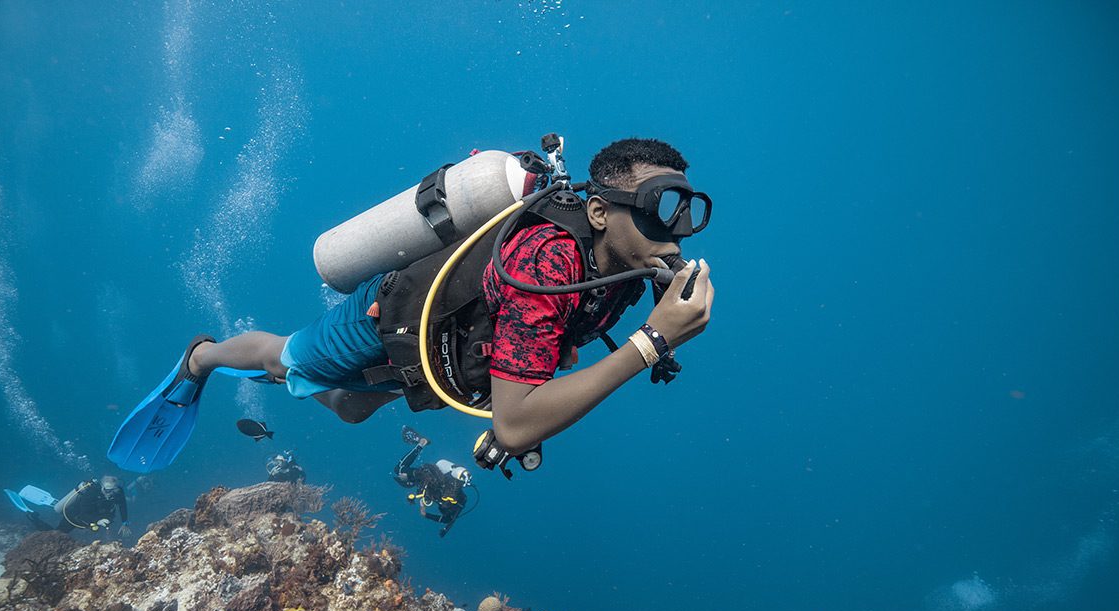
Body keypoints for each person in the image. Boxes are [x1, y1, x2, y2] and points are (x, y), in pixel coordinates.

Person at [110, 138, 713, 469]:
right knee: (284, 358)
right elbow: (514, 423)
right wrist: (651, 342)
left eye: (688, 211)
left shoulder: (629, 270)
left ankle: (303, 380)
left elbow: (549, 338)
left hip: (444, 349)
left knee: (350, 409)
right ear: (600, 211)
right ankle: (203, 357)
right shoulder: (548, 259)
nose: (677, 229)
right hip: (389, 319)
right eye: (661, 207)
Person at [393, 427, 470, 537]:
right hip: (429, 474)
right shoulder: (448, 496)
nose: (441, 505)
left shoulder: (453, 501)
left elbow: (448, 520)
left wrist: (425, 514)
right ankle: (422, 443)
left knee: (403, 474)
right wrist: (425, 514)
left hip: (428, 477)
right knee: (399, 469)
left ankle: (420, 447)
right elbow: (448, 520)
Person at [52, 475, 130, 536]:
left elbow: (123, 506)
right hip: (74, 516)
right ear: (102, 487)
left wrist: (124, 522)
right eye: (107, 490)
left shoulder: (118, 492)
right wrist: (97, 521)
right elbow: (83, 513)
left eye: (113, 490)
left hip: (94, 519)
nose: (110, 493)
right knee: (58, 534)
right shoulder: (91, 493)